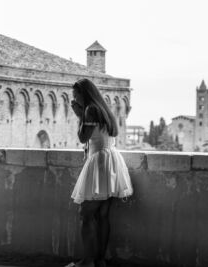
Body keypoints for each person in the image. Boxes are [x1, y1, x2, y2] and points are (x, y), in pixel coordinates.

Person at [67, 78, 133, 267]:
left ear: (83, 94)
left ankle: (88, 261)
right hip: (111, 160)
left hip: (99, 163)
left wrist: (79, 115)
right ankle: (100, 260)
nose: (75, 99)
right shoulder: (103, 108)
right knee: (102, 215)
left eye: (76, 95)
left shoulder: (90, 110)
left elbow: (82, 138)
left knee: (86, 214)